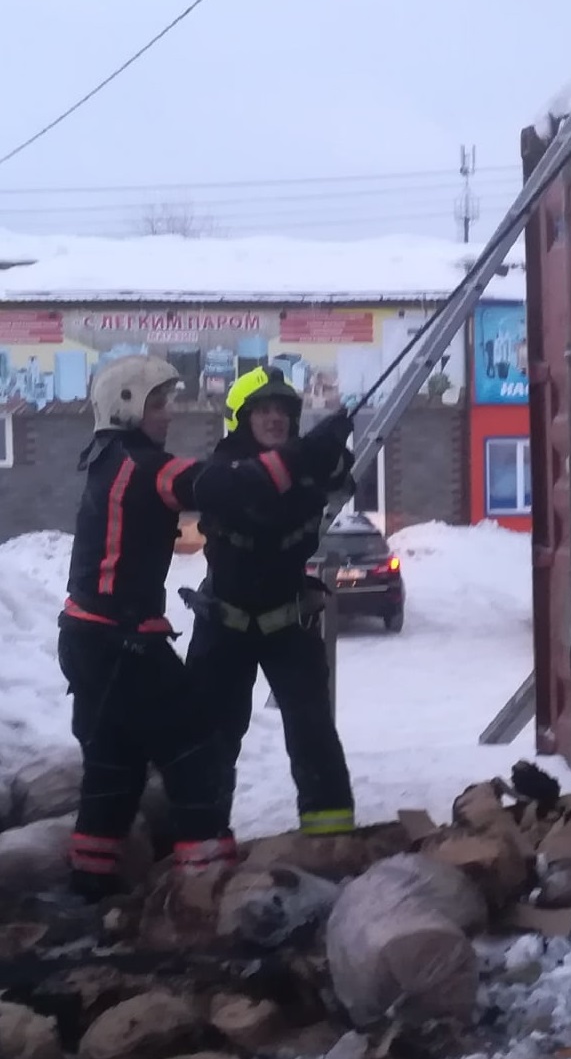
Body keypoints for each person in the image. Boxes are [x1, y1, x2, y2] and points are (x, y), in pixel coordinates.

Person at [59, 354, 352, 900]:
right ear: (126, 406)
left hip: (91, 636)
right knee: (196, 748)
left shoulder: (109, 458)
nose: (168, 413)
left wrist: (321, 459)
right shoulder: (146, 466)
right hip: (125, 639)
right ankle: (205, 881)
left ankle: (89, 886)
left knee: (113, 761)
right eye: (158, 403)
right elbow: (228, 488)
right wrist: (306, 453)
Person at [183, 366, 359, 839]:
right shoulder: (224, 469)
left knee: (313, 734)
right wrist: (307, 456)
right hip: (224, 627)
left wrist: (333, 452)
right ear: (243, 419)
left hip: (288, 623)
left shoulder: (307, 465)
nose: (275, 418)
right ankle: (202, 843)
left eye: (283, 410)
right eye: (263, 410)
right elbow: (257, 502)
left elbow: (340, 482)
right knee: (212, 741)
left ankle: (331, 837)